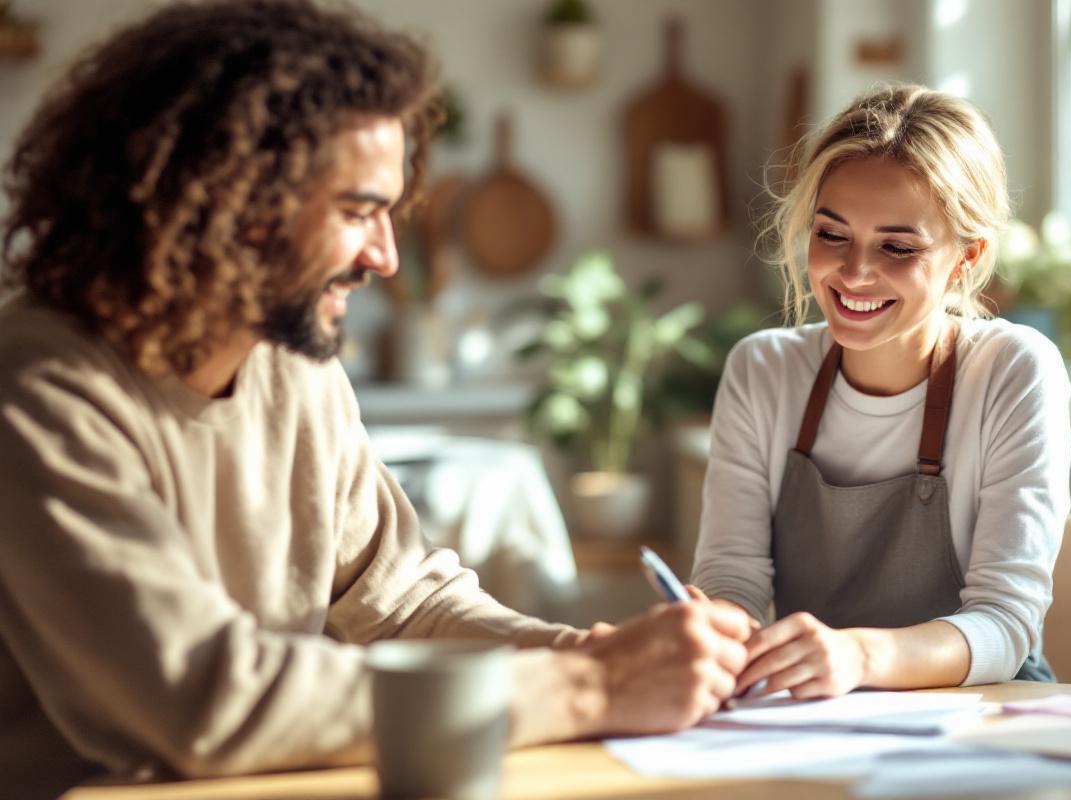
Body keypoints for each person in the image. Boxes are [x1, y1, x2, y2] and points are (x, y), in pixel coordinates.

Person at [0, 1, 750, 793]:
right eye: (359, 212)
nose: (386, 257)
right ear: (232, 205)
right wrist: (594, 688)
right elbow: (201, 698)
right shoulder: (40, 389)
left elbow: (399, 604)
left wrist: (579, 652)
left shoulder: (290, 360)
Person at [690, 85, 1070, 699]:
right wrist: (714, 629)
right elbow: (731, 578)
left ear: (965, 258)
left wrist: (858, 654)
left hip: (983, 718)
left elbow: (1005, 624)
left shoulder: (1012, 371)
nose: (855, 272)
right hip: (812, 712)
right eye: (831, 234)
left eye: (897, 247)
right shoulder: (762, 370)